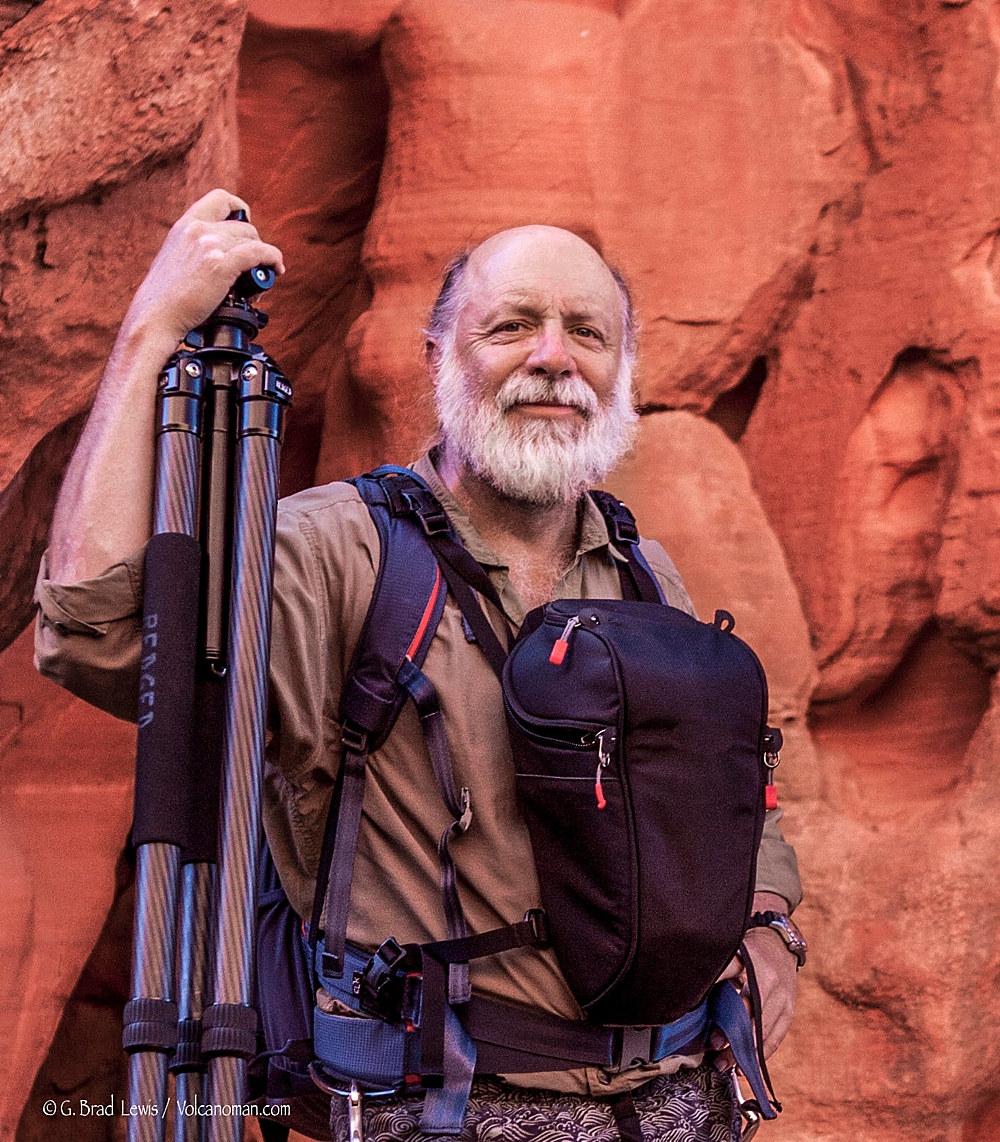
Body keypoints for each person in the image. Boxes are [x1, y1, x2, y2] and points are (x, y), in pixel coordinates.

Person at [36, 189, 803, 1141]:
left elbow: (725, 785)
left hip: (681, 1106)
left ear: (623, 373)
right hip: (445, 1110)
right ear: (439, 357)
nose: (553, 357)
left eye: (587, 333)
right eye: (511, 325)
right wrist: (151, 330)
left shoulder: (642, 570)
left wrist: (771, 925)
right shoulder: (329, 552)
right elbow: (96, 635)